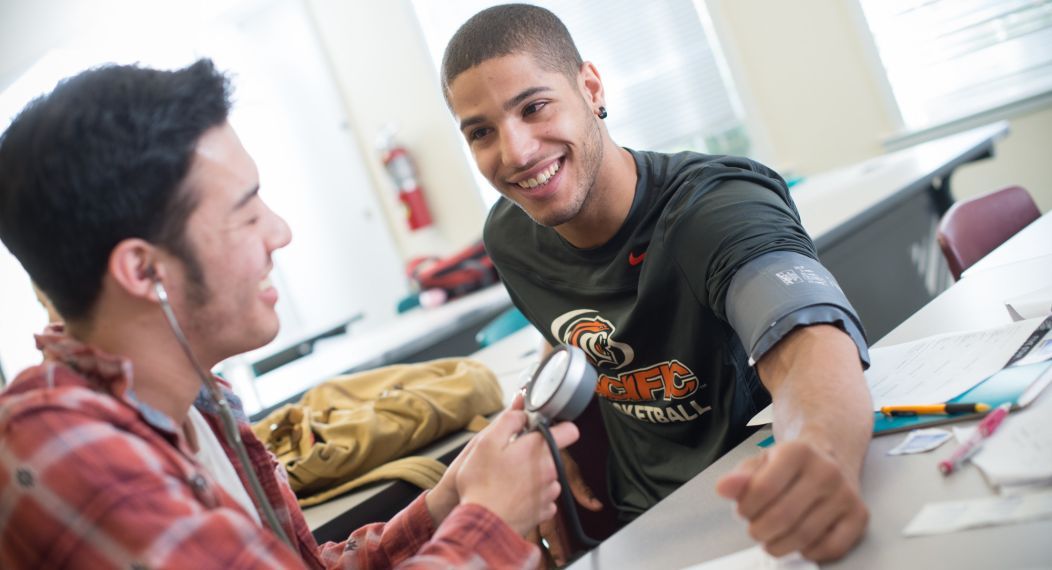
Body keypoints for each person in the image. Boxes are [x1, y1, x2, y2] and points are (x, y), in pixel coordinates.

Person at [0, 59, 578, 569]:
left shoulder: (198, 409)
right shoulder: (66, 456)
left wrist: (445, 504)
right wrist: (492, 521)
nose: (280, 232)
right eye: (246, 214)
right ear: (145, 272)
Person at [441, 4, 874, 563]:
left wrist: (822, 453)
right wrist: (536, 417)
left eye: (535, 107)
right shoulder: (511, 237)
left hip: (764, 506)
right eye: (481, 132)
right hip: (640, 534)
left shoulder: (711, 208)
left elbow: (804, 337)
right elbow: (569, 322)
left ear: (590, 88)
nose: (516, 153)